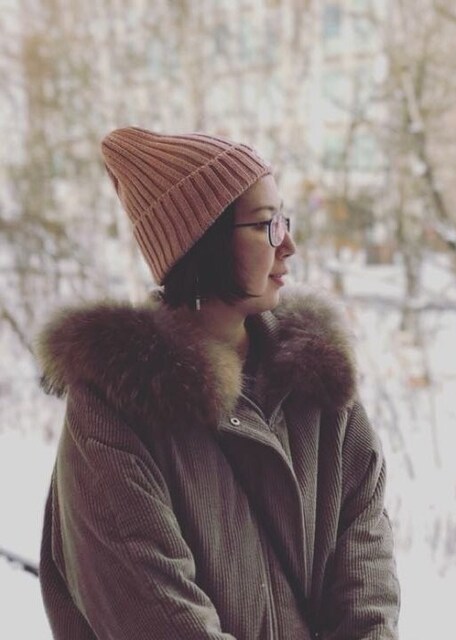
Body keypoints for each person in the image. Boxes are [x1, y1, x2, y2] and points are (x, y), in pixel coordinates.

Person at [36, 126, 400, 639]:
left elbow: (366, 566)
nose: (288, 245)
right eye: (265, 225)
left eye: (284, 221)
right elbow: (160, 618)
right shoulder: (112, 412)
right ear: (202, 242)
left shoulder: (316, 381)